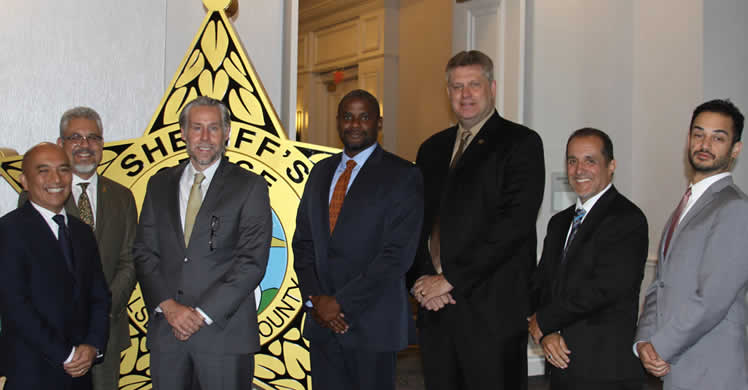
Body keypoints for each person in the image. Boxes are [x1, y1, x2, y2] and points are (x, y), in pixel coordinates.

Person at [408, 50, 545, 390]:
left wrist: (451, 277)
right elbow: (416, 222)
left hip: (491, 312)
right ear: (448, 93)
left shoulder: (521, 143)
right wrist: (421, 280)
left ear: (492, 87)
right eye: (456, 87)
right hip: (436, 309)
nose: (465, 95)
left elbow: (514, 224)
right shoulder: (431, 149)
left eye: (474, 85)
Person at [133, 96, 272, 390]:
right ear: (183, 132)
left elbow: (251, 262)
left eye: (213, 128)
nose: (205, 137)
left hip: (225, 336)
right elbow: (145, 253)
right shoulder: (158, 184)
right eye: (197, 128)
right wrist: (170, 309)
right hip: (167, 336)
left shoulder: (250, 186)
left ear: (227, 133)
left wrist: (199, 315)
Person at [292, 89, 423, 390]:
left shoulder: (403, 175)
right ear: (338, 121)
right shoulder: (320, 172)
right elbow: (303, 243)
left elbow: (397, 255)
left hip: (372, 323)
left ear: (378, 122)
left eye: (364, 117)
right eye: (347, 116)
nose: (355, 124)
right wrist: (317, 299)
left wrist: (340, 303)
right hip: (323, 323)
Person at [18, 107, 137, 390]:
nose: (85, 145)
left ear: (102, 145)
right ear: (61, 144)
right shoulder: (34, 197)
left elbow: (130, 260)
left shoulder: (122, 196)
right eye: (75, 138)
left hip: (106, 333)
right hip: (54, 338)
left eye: (93, 138)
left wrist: (102, 312)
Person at [635, 99, 748, 390]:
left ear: (735, 149)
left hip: (711, 369)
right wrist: (644, 340)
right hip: (676, 366)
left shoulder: (735, 207)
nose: (705, 144)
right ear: (688, 139)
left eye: (718, 137)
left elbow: (712, 298)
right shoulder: (686, 205)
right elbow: (659, 283)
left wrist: (661, 346)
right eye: (698, 134)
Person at [528, 128, 647, 390]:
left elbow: (605, 288)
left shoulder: (627, 219)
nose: (579, 169)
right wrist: (549, 332)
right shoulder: (558, 223)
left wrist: (547, 321)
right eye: (572, 160)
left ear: (611, 166)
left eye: (590, 160)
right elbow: (541, 282)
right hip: (561, 366)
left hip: (606, 371)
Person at [0, 143, 111, 389]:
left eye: (63, 169)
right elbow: (16, 306)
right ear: (24, 181)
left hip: (81, 372)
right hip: (32, 372)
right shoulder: (8, 231)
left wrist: (93, 346)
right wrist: (67, 354)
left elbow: (99, 296)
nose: (56, 179)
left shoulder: (81, 231)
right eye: (43, 171)